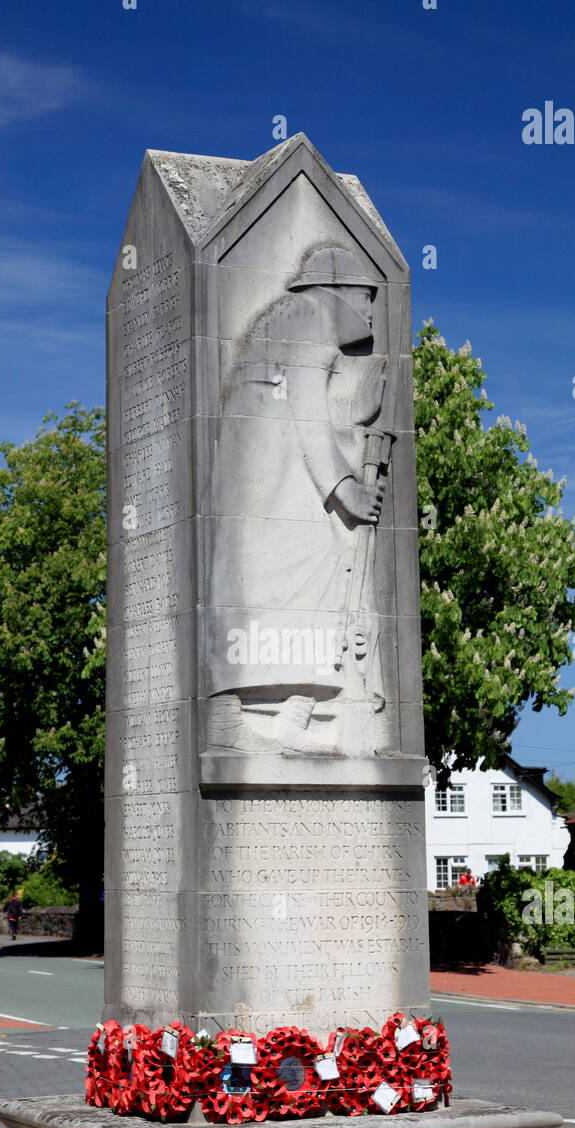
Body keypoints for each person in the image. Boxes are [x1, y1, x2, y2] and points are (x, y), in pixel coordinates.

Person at [205, 242, 391, 757]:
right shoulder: (309, 314)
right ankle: (233, 721)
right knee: (312, 582)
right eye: (368, 297)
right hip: (274, 493)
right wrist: (347, 489)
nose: (373, 311)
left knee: (295, 595)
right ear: (341, 289)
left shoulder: (282, 319)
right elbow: (308, 414)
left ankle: (291, 718)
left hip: (269, 488)